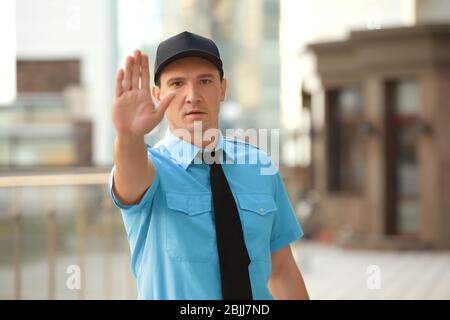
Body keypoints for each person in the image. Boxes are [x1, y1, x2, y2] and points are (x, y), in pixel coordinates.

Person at [109, 31, 309, 300]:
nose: (192, 95)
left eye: (204, 81)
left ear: (222, 88)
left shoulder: (260, 166)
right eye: (177, 83)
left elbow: (282, 270)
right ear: (157, 94)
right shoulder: (151, 170)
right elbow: (130, 172)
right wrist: (129, 135)